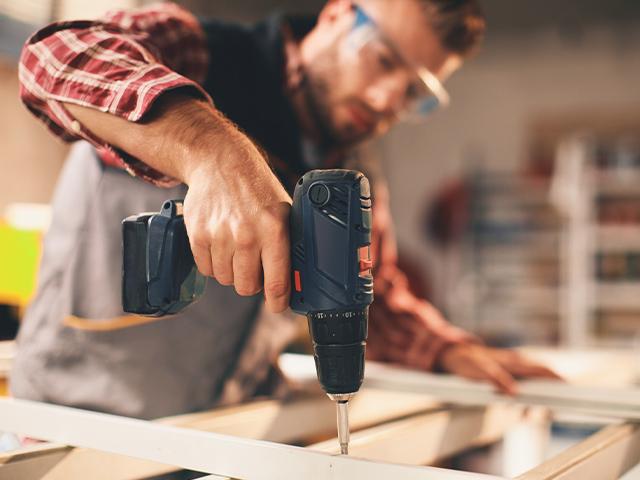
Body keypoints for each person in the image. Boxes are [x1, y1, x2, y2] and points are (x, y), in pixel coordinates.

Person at [12, 0, 559, 419]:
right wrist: (209, 151)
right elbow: (55, 55)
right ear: (339, 14)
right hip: (79, 419)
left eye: (415, 93)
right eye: (383, 60)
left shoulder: (353, 164)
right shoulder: (200, 50)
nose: (384, 99)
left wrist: (446, 352)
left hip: (221, 430)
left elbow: (372, 292)